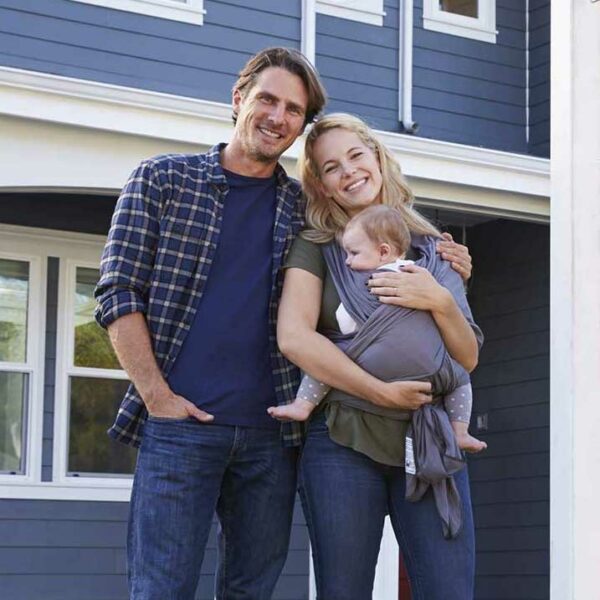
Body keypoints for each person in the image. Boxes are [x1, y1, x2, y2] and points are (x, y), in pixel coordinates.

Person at [94, 47, 327, 600]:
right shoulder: (161, 179)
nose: (277, 117)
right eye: (267, 99)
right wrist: (156, 395)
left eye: (293, 109)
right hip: (179, 426)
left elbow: (376, 235)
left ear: (301, 126)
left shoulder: (305, 211)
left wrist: (442, 252)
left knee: (251, 591)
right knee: (160, 590)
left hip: (274, 435)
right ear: (238, 98)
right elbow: (116, 291)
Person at [276, 113, 481, 599]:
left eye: (355, 156)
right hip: (343, 441)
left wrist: (441, 299)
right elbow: (295, 338)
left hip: (428, 439)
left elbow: (467, 357)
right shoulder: (319, 248)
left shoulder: (434, 250)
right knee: (342, 591)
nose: (348, 172)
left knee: (448, 588)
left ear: (377, 158)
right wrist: (380, 392)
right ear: (322, 186)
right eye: (330, 168)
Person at [269, 204, 487, 453]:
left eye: (353, 253)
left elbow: (346, 319)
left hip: (377, 374)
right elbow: (464, 361)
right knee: (460, 381)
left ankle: (302, 404)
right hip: (423, 378)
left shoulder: (368, 280)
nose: (348, 261)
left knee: (326, 361)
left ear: (383, 252)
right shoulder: (423, 271)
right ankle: (460, 431)